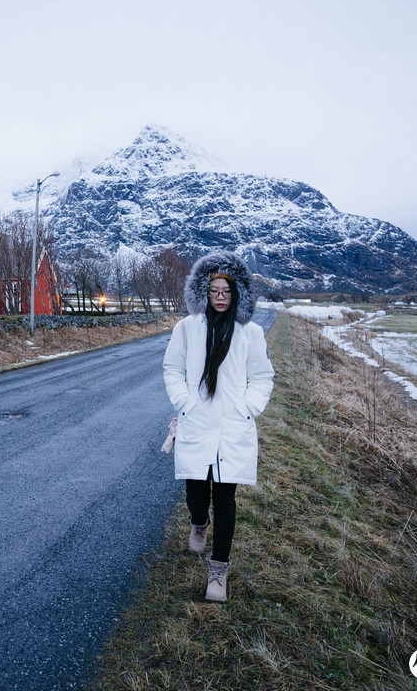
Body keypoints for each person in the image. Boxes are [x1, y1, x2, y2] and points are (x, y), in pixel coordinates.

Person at [162, 250, 274, 602]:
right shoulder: (186, 329)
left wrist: (247, 408)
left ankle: (218, 573)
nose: (220, 297)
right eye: (214, 291)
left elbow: (262, 377)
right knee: (196, 489)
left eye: (227, 291)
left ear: (238, 293)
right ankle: (198, 522)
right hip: (196, 421)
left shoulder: (250, 333)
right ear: (203, 293)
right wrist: (185, 403)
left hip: (232, 427)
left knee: (225, 498)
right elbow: (172, 369)